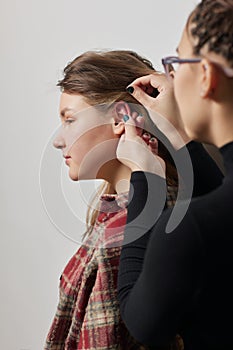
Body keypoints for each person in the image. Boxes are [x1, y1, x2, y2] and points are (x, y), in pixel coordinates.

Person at [44, 49, 185, 350]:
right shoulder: (117, 212)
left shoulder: (125, 229)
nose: (58, 140)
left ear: (122, 118)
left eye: (69, 120)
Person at [117, 0, 233, 349]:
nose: (169, 77)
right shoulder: (209, 221)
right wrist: (179, 138)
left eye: (176, 63)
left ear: (206, 77)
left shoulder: (189, 230)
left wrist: (147, 178)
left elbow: (142, 321)